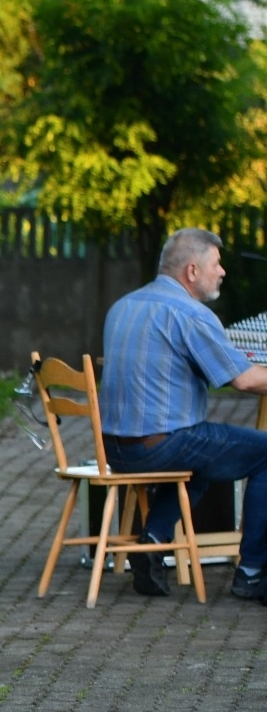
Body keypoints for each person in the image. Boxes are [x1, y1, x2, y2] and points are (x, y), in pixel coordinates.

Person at [99, 227, 267, 600]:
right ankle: (252, 572)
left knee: (208, 460)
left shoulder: (122, 306)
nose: (222, 272)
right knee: (263, 453)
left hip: (113, 451)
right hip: (160, 446)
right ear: (192, 271)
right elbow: (244, 380)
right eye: (216, 264)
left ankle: (154, 543)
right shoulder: (190, 314)